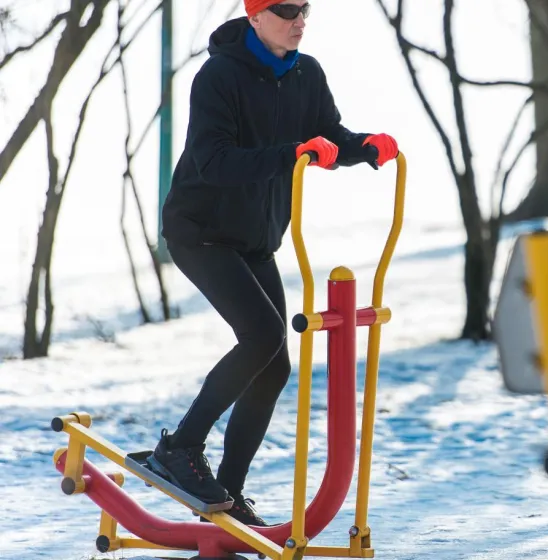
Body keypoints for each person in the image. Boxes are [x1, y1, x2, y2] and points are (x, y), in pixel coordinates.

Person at [150, 0, 399, 527]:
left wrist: (367, 148)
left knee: (275, 363)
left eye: (305, 9)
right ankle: (180, 449)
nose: (299, 19)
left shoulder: (305, 73)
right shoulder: (219, 75)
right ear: (257, 15)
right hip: (201, 231)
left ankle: (225, 494)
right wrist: (292, 153)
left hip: (254, 239)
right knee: (262, 337)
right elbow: (213, 161)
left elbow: (327, 137)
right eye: (287, 10)